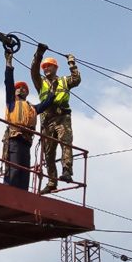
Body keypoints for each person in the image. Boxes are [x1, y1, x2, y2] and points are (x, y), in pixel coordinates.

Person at [30, 43, 81, 194]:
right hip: (47, 121)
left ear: (55, 68)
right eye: (44, 67)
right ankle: (52, 181)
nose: (46, 69)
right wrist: (39, 54)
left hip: (62, 117)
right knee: (48, 152)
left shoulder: (64, 80)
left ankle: (67, 171)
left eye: (49, 66)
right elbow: (33, 70)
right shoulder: (40, 82)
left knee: (66, 143)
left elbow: (76, 79)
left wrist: (71, 63)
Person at [2, 51, 56, 190]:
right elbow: (8, 83)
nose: (21, 89)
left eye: (24, 88)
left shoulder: (32, 108)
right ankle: (9, 191)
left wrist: (53, 91)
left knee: (25, 169)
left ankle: (22, 193)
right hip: (14, 138)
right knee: (14, 168)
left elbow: (45, 104)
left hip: (26, 141)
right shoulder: (11, 102)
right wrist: (9, 64)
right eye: (19, 88)